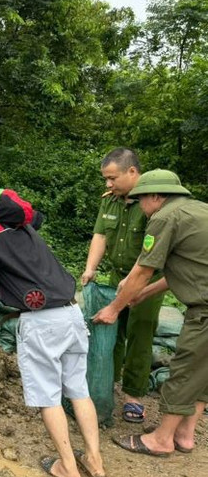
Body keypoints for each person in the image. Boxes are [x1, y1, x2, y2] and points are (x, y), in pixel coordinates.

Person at [0, 190, 106, 477]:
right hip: (70, 313)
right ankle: (94, 459)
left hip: (41, 322)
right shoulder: (17, 224)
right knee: (78, 389)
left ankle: (68, 466)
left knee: (47, 396)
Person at [94, 170, 208, 457]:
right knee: (202, 374)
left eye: (140, 200)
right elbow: (185, 270)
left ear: (155, 196)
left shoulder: (164, 217)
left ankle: (161, 440)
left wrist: (113, 308)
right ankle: (184, 435)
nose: (140, 208)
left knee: (184, 371)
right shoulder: (198, 210)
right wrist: (143, 294)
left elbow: (142, 270)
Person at [82, 148, 164, 423]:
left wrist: (135, 281)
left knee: (139, 334)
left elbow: (155, 249)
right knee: (111, 331)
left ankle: (133, 396)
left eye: (112, 177)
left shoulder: (153, 202)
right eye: (105, 178)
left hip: (146, 280)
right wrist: (91, 268)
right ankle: (108, 387)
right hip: (117, 278)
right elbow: (100, 235)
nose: (108, 184)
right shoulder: (110, 201)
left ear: (132, 172)